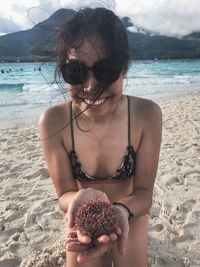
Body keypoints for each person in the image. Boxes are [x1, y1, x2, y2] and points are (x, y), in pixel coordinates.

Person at [39, 7, 162, 267]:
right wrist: (78, 204)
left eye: (106, 69)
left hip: (130, 212)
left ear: (124, 69)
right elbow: (65, 194)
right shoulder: (53, 122)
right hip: (82, 214)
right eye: (75, 71)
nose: (91, 87)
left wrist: (121, 211)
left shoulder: (146, 115)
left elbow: (143, 193)